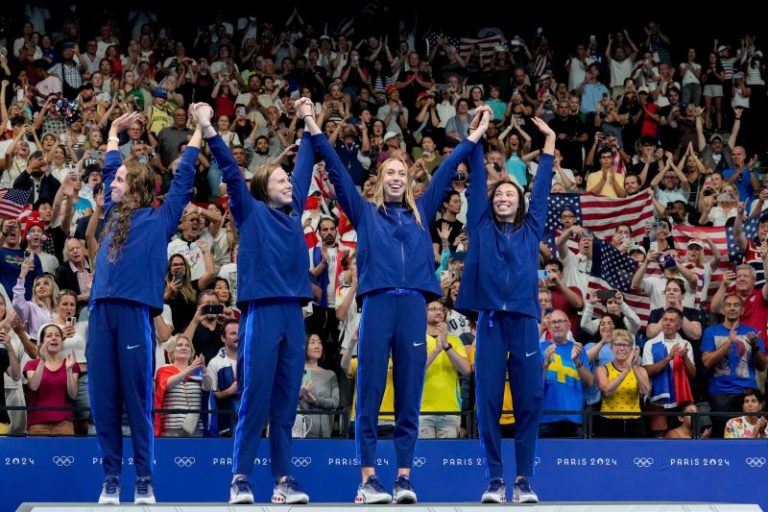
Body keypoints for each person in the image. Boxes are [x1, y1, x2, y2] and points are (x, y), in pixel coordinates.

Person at [311, 101, 490, 504]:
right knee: (371, 393)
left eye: (401, 173)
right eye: (389, 172)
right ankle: (368, 479)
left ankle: (404, 478)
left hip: (413, 308)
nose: (395, 177)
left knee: (410, 393)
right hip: (376, 306)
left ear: (409, 180)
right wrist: (313, 126)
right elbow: (338, 174)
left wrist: (474, 137)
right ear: (379, 179)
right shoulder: (364, 212)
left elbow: (446, 171)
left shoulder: (422, 211)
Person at [189, 99, 316, 505]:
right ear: (263, 188)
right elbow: (229, 169)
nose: (289, 183)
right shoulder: (249, 212)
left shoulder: (293, 216)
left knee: (285, 403)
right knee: (255, 398)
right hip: (261, 313)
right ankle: (240, 478)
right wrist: (208, 127)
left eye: (288, 179)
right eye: (280, 179)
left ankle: (283, 480)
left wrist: (308, 118)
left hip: (294, 316)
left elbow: (307, 164)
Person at [87, 111, 199, 505]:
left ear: (134, 186)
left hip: (135, 314)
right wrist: (114, 133)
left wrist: (199, 132)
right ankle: (111, 480)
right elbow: (110, 163)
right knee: (103, 401)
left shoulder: (160, 217)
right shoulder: (114, 213)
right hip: (100, 313)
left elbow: (183, 182)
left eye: (118, 180)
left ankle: (144, 481)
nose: (111, 181)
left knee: (137, 400)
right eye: (112, 178)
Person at [457, 110, 554, 504]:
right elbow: (478, 180)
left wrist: (548, 144)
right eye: (498, 195)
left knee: (530, 399)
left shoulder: (532, 228)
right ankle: (496, 479)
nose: (502, 198)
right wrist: (477, 137)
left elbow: (543, 186)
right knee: (488, 403)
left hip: (526, 322)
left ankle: (524, 480)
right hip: (491, 323)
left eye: (509, 194)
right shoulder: (480, 225)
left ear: (520, 201)